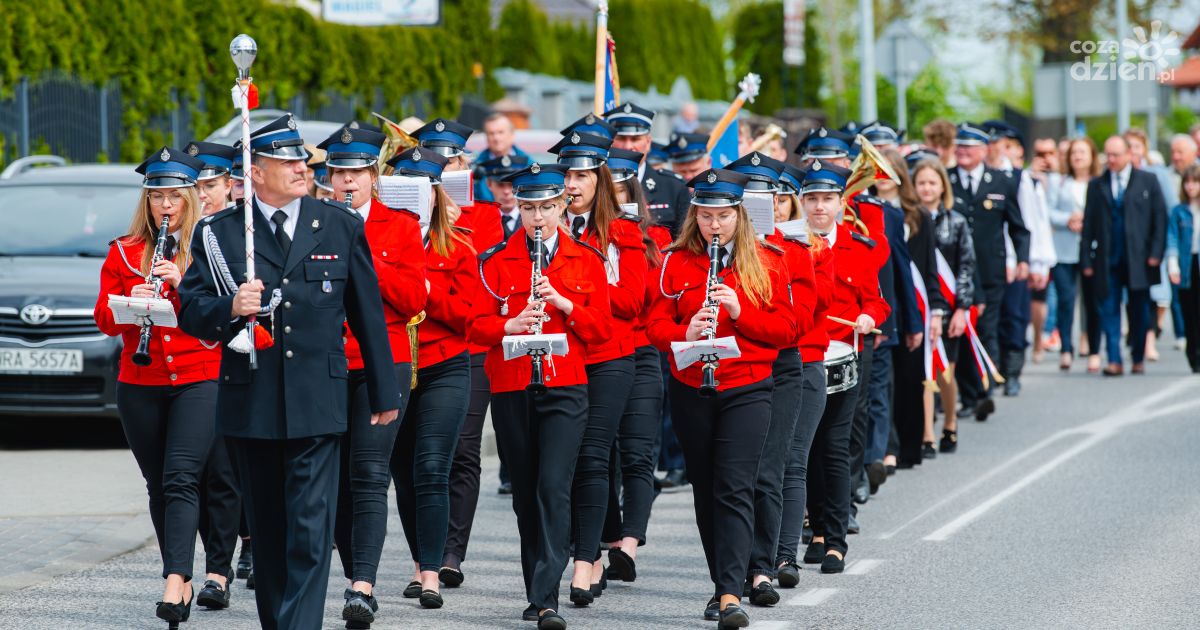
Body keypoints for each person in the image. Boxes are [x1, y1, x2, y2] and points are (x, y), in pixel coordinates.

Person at [178, 114, 401, 630]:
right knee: (271, 529)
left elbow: (367, 311)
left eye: (302, 159)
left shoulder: (340, 224)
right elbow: (191, 309)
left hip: (317, 400)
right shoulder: (220, 231)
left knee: (310, 526)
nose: (304, 167)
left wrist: (383, 390)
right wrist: (230, 306)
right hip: (251, 399)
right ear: (255, 172)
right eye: (289, 160)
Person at [647, 167, 795, 628]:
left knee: (734, 486)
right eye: (707, 215)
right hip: (693, 385)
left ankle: (730, 593)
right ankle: (722, 582)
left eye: (724, 216)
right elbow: (653, 325)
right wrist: (683, 333)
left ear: (740, 215)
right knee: (707, 488)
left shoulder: (767, 260)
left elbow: (787, 330)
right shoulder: (675, 261)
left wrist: (739, 310)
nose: (715, 225)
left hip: (747, 386)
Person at [469, 162, 612, 630]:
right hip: (512, 384)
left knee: (553, 485)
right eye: (529, 208)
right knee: (526, 495)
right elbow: (473, 324)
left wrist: (565, 303)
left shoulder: (585, 258)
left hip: (566, 385)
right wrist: (507, 325)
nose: (537, 217)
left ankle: (545, 597)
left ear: (562, 207)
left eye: (547, 207)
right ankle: (538, 587)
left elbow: (602, 330)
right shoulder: (494, 260)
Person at [94, 147, 219, 627]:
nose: (165, 206)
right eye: (156, 197)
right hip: (139, 380)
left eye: (174, 196)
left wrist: (183, 284)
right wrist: (131, 300)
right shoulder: (124, 251)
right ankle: (182, 578)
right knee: (157, 485)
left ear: (189, 199)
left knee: (181, 477)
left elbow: (224, 311)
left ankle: (173, 578)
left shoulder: (208, 248)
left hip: (197, 376)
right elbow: (104, 320)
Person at [317, 125, 426, 627]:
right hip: (326, 365)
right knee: (332, 479)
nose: (346, 182)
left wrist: (360, 259)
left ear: (373, 177)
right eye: (337, 172)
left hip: (381, 365)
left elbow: (413, 301)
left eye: (356, 173)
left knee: (369, 474)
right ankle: (352, 569)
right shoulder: (313, 224)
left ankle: (364, 584)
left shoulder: (398, 226)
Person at [547, 129, 648, 604]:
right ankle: (599, 546)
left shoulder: (624, 231)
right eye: (567, 173)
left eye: (582, 174)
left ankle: (584, 561)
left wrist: (579, 295)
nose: (572, 183)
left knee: (593, 454)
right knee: (578, 462)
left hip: (611, 356)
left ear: (600, 179)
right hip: (562, 355)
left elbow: (631, 300)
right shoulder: (546, 227)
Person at [383, 146, 476, 611]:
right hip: (395, 364)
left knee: (432, 466)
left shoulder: (456, 245)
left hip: (443, 364)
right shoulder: (376, 242)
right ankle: (420, 560)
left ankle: (432, 572)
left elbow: (468, 316)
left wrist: (425, 291)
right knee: (402, 472)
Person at [727, 153, 817, 607]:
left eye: (770, 196)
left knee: (768, 470)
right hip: (729, 366)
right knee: (731, 478)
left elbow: (795, 325)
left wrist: (743, 317)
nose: (764, 204)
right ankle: (733, 569)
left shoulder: (793, 253)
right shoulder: (716, 251)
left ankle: (761, 566)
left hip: (778, 367)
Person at [442, 152, 529, 588]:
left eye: (453, 161)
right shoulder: (407, 212)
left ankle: (450, 553)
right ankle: (428, 548)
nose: (447, 170)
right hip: (421, 344)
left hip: (472, 346)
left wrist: (455, 224)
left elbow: (484, 275)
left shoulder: (488, 215)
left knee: (463, 448)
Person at [799, 160, 889, 575]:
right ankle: (815, 529)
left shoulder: (858, 247)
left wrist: (870, 316)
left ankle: (834, 540)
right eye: (812, 199)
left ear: (841, 203)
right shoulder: (790, 246)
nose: (819, 208)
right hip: (803, 358)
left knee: (834, 449)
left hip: (846, 356)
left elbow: (877, 300)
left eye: (827, 200)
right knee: (807, 448)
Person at [599, 148, 667, 585]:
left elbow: (649, 302)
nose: (618, 202)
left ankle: (628, 543)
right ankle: (605, 538)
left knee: (639, 454)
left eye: (625, 193)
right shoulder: (583, 237)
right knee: (600, 456)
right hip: (600, 353)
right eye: (612, 193)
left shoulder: (653, 238)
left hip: (641, 352)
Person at [181, 140, 243, 610]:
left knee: (226, 471)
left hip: (229, 362)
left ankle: (220, 569)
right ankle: (212, 565)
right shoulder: (176, 234)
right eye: (194, 187)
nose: (201, 195)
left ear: (228, 186)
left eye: (209, 185)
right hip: (183, 368)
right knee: (198, 474)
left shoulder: (234, 234)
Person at [773, 162, 835, 588]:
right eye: (765, 202)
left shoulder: (814, 248)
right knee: (763, 467)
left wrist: (795, 249)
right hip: (757, 365)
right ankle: (758, 556)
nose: (774, 209)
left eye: (781, 201)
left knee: (793, 463)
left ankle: (784, 557)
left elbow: (821, 302)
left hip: (806, 359)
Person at [949, 122, 1029, 420]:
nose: (963, 152)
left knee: (985, 328)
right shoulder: (946, 180)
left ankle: (984, 390)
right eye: (959, 146)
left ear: (984, 151)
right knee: (962, 332)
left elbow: (1019, 228)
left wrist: (1022, 259)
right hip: (955, 270)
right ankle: (971, 395)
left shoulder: (1001, 182)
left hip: (990, 270)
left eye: (969, 147)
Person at [1080, 135, 1168, 376]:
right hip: (1108, 259)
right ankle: (1114, 360)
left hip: (1139, 259)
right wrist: (1086, 258)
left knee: (1139, 309)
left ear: (1129, 154)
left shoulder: (1147, 181)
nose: (1111, 159)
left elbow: (1159, 219)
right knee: (1108, 308)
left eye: (1115, 155)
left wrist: (1156, 253)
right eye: (1107, 155)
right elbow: (1088, 225)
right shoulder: (1097, 185)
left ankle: (1138, 356)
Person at [909, 158, 974, 455]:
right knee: (925, 372)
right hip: (921, 305)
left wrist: (962, 308)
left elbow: (965, 267)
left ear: (942, 187)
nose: (926, 188)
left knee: (946, 372)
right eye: (921, 182)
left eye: (932, 182)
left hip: (949, 308)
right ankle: (926, 434)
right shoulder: (910, 220)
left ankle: (949, 422)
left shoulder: (957, 221)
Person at [874, 149, 934, 467]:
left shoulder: (915, 214)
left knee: (908, 377)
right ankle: (887, 447)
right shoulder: (865, 210)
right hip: (881, 303)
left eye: (887, 171)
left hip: (910, 300)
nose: (881, 178)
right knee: (882, 382)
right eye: (876, 172)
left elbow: (926, 266)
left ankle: (909, 445)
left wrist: (926, 314)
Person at [605, 102, 693, 234]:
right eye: (622, 138)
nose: (628, 146)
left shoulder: (674, 188)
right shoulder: (599, 184)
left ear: (648, 142)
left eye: (635, 139)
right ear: (610, 142)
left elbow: (683, 244)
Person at [1053, 137, 1101, 371]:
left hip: (1090, 250)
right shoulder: (1059, 183)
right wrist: (1068, 219)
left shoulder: (1098, 183)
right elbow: (1048, 212)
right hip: (1065, 249)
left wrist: (1088, 222)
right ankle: (1065, 348)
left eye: (1083, 152)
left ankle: (1093, 348)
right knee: (1065, 299)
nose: (1078, 157)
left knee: (1092, 301)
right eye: (1074, 153)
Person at [1029, 137, 1064, 362]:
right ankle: (1040, 337)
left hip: (1063, 246)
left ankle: (1053, 333)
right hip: (1039, 248)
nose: (1045, 159)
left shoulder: (1063, 179)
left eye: (1050, 153)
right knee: (1041, 295)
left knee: (1061, 294)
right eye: (1040, 153)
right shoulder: (1029, 178)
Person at [1167, 164, 1200, 372]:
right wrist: (1172, 263)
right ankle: (1193, 354)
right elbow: (1172, 238)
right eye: (1187, 182)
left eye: (1195, 182)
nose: (1190, 187)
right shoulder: (1179, 211)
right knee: (1188, 311)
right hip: (1187, 265)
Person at [473, 112, 529, 202]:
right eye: (491, 133)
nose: (496, 138)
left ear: (512, 135)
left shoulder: (529, 165)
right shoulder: (475, 168)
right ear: (486, 137)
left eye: (500, 132)